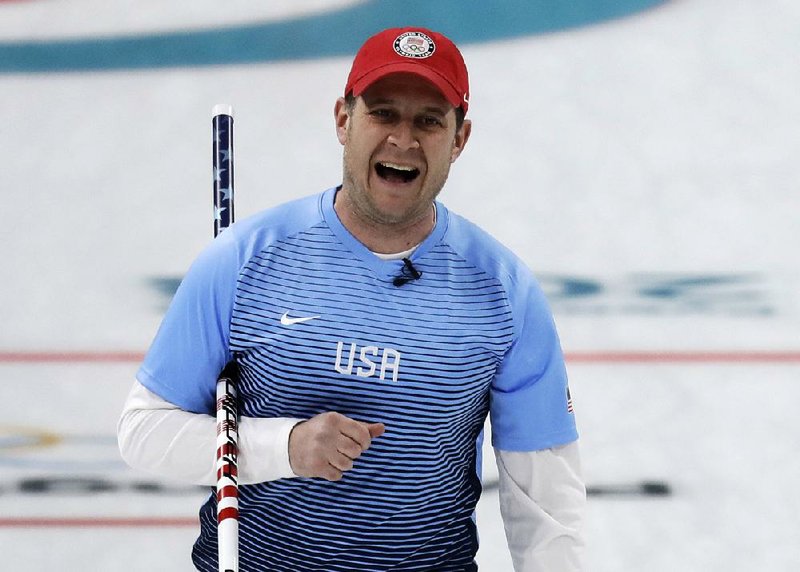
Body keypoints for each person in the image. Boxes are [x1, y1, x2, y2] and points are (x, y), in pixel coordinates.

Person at [118, 26, 585, 572]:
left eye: (429, 121)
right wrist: (286, 447)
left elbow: (547, 502)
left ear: (459, 139)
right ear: (344, 119)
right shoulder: (243, 260)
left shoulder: (505, 293)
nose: (403, 140)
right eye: (383, 113)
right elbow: (144, 433)